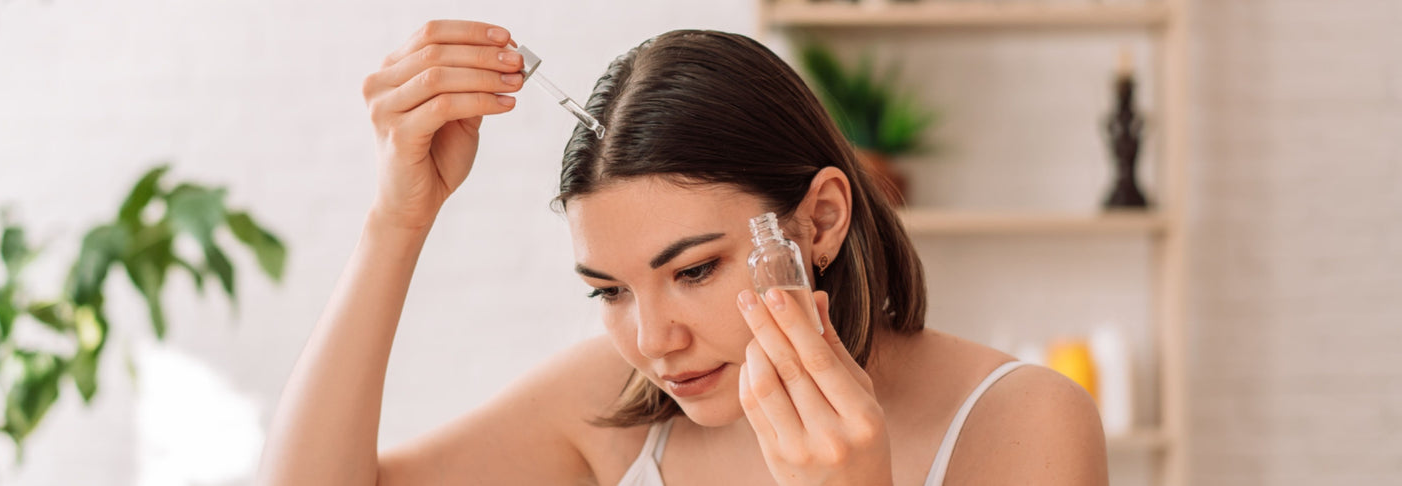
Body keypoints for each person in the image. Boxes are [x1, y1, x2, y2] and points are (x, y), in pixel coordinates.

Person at [260, 20, 1107, 485]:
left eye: (695, 270)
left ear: (819, 221)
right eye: (610, 291)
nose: (654, 339)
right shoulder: (615, 403)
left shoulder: (1021, 423)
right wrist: (395, 223)